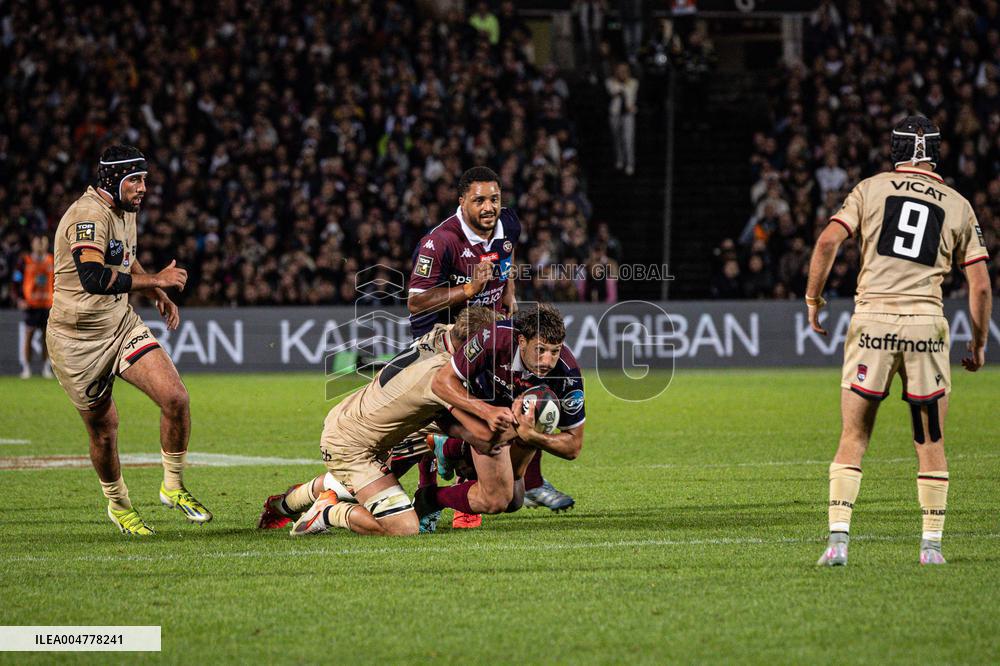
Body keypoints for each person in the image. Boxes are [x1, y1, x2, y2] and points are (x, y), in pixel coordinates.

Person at [805, 117, 991, 566]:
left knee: (854, 436)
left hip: (872, 323)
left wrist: (814, 299)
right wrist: (979, 342)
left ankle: (838, 542)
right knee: (929, 441)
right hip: (925, 327)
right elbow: (980, 286)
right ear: (935, 153)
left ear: (894, 150)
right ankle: (931, 548)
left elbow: (829, 240)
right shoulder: (958, 203)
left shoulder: (870, 189)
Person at [46, 145, 211, 535]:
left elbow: (122, 258)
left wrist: (155, 293)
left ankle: (172, 486)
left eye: (144, 180)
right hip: (76, 342)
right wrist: (155, 281)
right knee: (104, 430)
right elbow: (93, 277)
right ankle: (119, 505)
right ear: (112, 180)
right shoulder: (87, 216)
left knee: (175, 398)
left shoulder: (125, 212)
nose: (143, 188)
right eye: (135, 180)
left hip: (119, 325)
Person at [406, 166, 574, 527]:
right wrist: (469, 290)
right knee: (442, 411)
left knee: (527, 393)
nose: (488, 207)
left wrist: (509, 292)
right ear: (461, 201)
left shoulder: (509, 224)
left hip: (492, 328)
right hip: (442, 339)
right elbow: (416, 302)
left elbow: (507, 262)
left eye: (494, 199)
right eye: (479, 199)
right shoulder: (440, 242)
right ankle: (428, 494)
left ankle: (526, 482)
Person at [255, 307, 512, 537]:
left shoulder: (442, 333)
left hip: (358, 422)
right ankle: (329, 512)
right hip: (352, 447)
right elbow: (475, 427)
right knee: (404, 527)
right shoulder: (439, 376)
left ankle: (282, 505)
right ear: (470, 345)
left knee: (361, 478)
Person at [414, 304, 586, 528]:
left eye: (554, 352)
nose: (547, 361)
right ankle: (428, 498)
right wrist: (487, 411)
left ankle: (450, 450)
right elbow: (441, 381)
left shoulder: (567, 374)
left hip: (508, 424)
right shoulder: (493, 337)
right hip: (473, 408)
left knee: (514, 501)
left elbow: (573, 446)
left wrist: (533, 436)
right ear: (522, 341)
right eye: (540, 350)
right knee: (496, 500)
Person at [14, 235, 54, 379]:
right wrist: (19, 299)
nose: (41, 245)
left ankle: (46, 367)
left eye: (44, 242)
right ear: (32, 244)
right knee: (28, 336)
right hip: (31, 305)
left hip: (48, 304)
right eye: (38, 242)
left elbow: (58, 281)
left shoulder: (52, 260)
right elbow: (16, 280)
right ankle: (26, 368)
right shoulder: (25, 261)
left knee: (46, 339)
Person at [606, 62, 638, 175]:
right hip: (615, 114)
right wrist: (620, 85)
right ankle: (620, 159)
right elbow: (613, 92)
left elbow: (630, 94)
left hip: (628, 115)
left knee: (628, 140)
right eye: (619, 70)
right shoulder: (610, 82)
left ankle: (630, 163)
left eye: (624, 70)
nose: (622, 73)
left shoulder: (634, 82)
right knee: (617, 138)